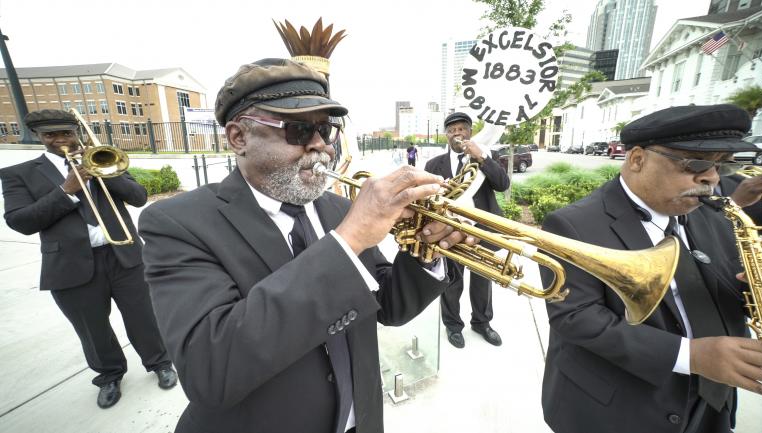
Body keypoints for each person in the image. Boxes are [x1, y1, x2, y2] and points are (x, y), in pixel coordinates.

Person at [138, 58, 471, 433]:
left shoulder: (338, 209)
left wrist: (428, 252)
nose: (319, 146)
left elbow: (389, 305)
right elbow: (210, 371)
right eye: (297, 130)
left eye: (326, 130)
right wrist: (351, 239)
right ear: (238, 138)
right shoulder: (177, 223)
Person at [538, 104, 762, 433]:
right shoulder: (572, 223)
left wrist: (754, 288)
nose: (712, 178)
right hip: (618, 412)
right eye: (697, 163)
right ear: (637, 160)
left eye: (721, 164)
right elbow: (575, 317)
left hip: (713, 403)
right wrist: (690, 355)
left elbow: (720, 286)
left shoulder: (715, 213)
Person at [0, 109, 177, 409]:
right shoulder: (19, 174)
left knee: (144, 316)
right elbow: (21, 221)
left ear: (77, 133)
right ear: (39, 137)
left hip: (124, 255)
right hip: (70, 264)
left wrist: (103, 173)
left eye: (66, 133)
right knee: (92, 328)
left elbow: (138, 197)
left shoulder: (102, 158)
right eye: (50, 135)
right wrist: (66, 190)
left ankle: (159, 362)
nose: (60, 140)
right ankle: (109, 375)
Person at [424, 112, 510, 348]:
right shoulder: (433, 164)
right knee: (452, 281)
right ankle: (453, 325)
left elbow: (503, 184)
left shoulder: (485, 155)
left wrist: (481, 157)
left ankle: (482, 323)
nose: (457, 133)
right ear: (446, 135)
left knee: (483, 280)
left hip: (481, 230)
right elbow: (427, 198)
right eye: (452, 130)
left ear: (470, 132)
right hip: (450, 230)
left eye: (462, 129)